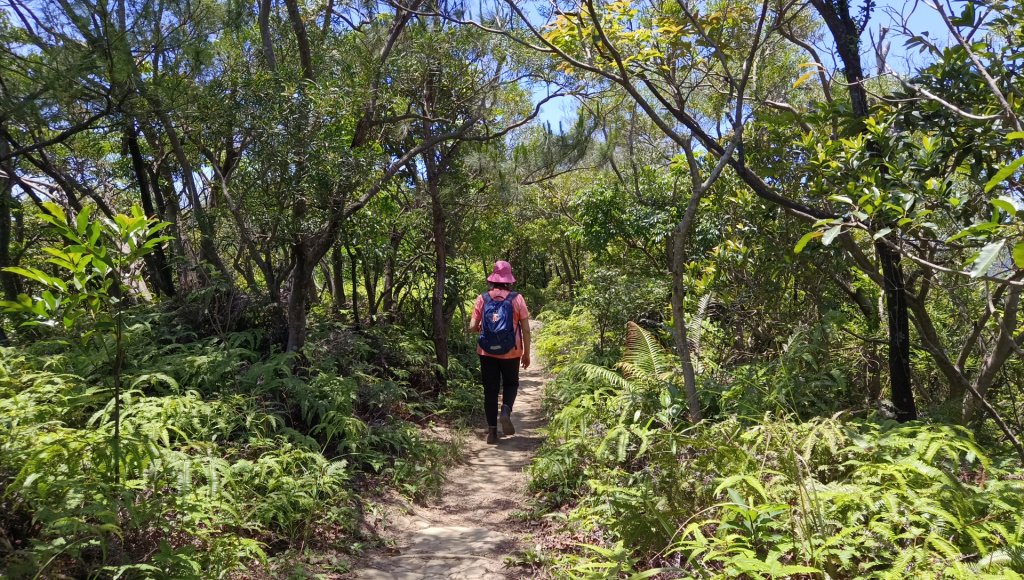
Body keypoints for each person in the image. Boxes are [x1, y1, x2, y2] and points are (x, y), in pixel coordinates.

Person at [469, 260, 531, 445]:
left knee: (490, 390)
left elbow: (472, 326)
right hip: (511, 351)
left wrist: (481, 327)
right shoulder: (517, 298)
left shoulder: (483, 298)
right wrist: (526, 353)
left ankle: (492, 433)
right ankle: (505, 410)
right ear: (509, 279)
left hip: (486, 351)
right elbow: (526, 329)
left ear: (493, 278)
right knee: (511, 383)